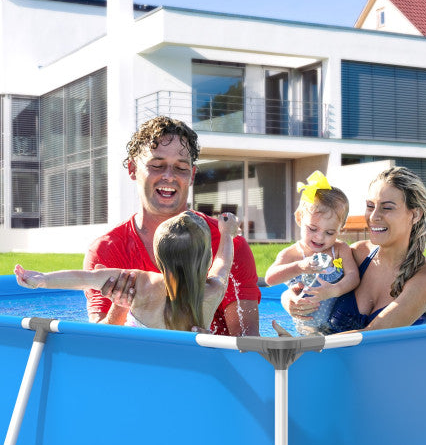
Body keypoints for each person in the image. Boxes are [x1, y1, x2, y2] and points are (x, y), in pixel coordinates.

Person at [83, 116, 261, 336]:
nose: (169, 176)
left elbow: (247, 343)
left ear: (192, 175)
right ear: (132, 169)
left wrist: (209, 348)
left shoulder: (229, 245)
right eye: (156, 165)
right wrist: (120, 307)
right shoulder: (107, 251)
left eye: (181, 168)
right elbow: (97, 346)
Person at [279, 166, 426, 334]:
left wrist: (301, 346)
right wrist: (290, 300)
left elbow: (373, 335)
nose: (373, 217)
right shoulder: (356, 255)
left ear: (415, 215)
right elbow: (308, 287)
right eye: (370, 206)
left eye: (387, 208)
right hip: (325, 356)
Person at [15, 211, 239, 331]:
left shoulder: (142, 282)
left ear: (158, 256)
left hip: (139, 362)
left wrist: (42, 279)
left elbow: (87, 278)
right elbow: (223, 263)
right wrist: (227, 233)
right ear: (206, 256)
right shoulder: (213, 290)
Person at [265, 171, 359, 335]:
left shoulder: (339, 249)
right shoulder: (293, 254)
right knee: (311, 340)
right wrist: (300, 267)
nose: (319, 237)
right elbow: (270, 279)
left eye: (330, 232)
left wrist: (334, 290)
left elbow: (353, 277)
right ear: (300, 218)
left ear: (340, 228)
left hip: (338, 325)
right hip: (306, 324)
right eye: (312, 229)